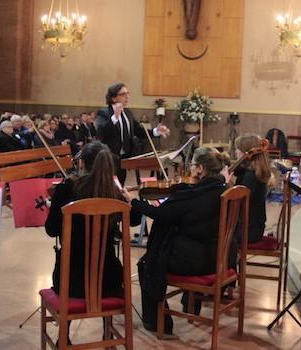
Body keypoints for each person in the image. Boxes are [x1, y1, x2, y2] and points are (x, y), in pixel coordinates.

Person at [124, 147, 228, 335]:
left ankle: (156, 322)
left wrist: (133, 201)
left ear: (201, 169)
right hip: (218, 259)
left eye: (192, 166)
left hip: (193, 263)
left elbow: (161, 214)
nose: (190, 169)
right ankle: (190, 307)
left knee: (147, 263)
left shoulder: (192, 195)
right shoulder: (223, 189)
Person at [44, 141, 126, 344]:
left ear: (82, 164)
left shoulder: (66, 189)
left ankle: (64, 336)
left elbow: (51, 229)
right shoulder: (114, 193)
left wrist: (54, 207)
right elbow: (132, 219)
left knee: (70, 263)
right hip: (109, 280)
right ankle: (107, 334)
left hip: (70, 281)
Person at [96, 83, 170, 184]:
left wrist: (156, 131)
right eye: (123, 94)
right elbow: (102, 133)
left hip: (124, 159)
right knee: (108, 187)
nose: (127, 96)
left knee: (120, 186)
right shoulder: (103, 113)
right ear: (113, 98)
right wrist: (115, 118)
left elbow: (138, 130)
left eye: (127, 93)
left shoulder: (127, 113)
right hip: (109, 159)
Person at [229, 134, 271, 243]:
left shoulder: (251, 176)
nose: (236, 153)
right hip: (250, 226)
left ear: (246, 153)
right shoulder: (250, 173)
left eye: (238, 150)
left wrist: (226, 184)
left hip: (248, 231)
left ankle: (228, 259)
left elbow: (237, 203)